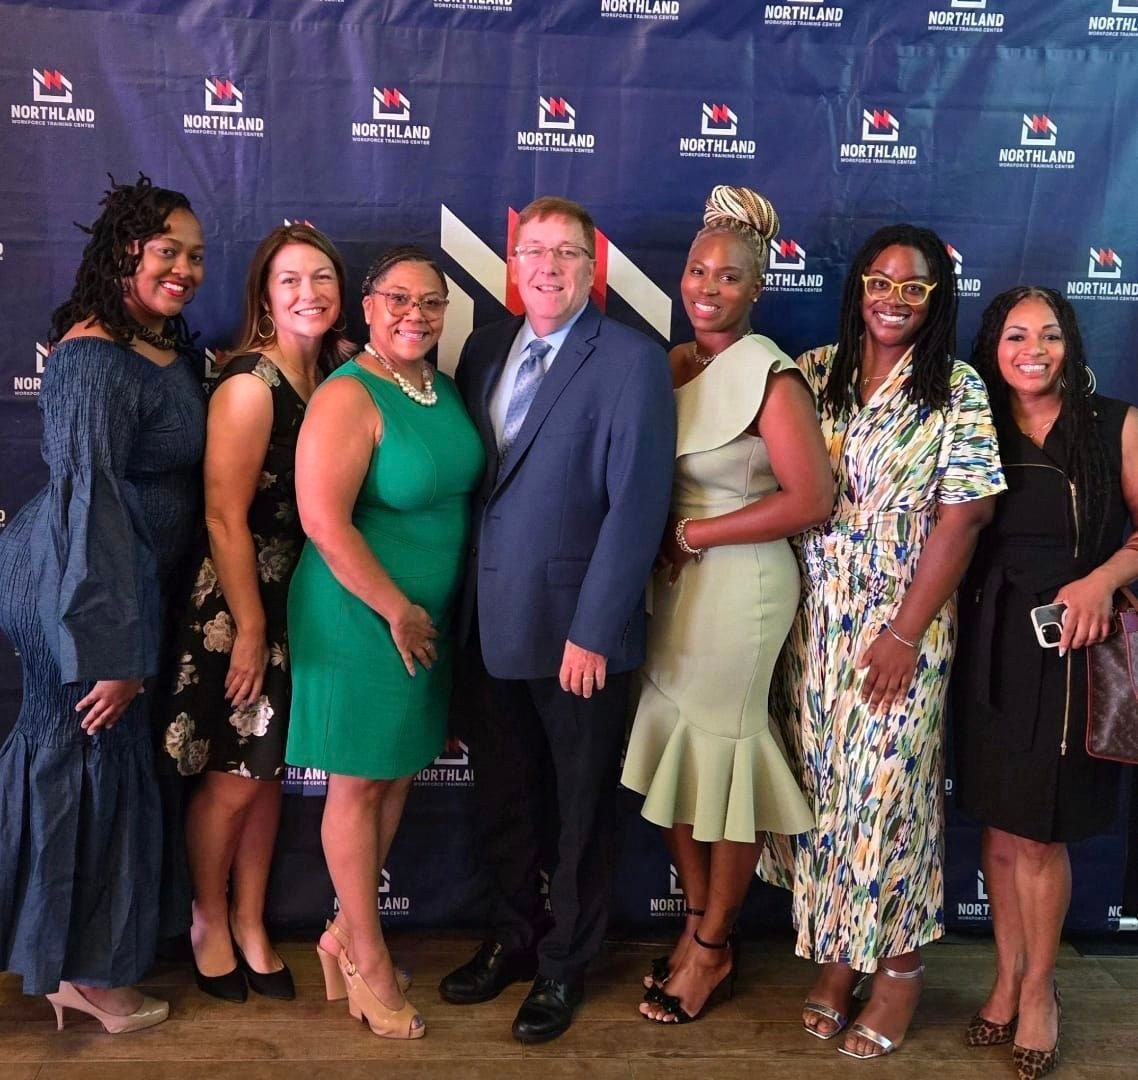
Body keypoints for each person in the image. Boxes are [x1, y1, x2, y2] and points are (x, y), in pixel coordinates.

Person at [758, 224, 1006, 1058]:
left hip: (905, 619)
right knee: (825, 794)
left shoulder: (956, 386)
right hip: (812, 618)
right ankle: (836, 955)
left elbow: (965, 514)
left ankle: (897, 969)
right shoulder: (817, 373)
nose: (894, 298)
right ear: (859, 284)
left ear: (937, 299)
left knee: (888, 796)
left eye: (915, 287)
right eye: (882, 280)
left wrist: (905, 632)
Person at [439, 195, 676, 1043]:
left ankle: (564, 965)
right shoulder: (484, 348)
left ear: (592, 267)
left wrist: (596, 630)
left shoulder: (631, 361)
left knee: (579, 812)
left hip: (577, 634)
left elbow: (637, 507)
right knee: (504, 800)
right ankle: (511, 936)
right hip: (487, 624)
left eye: (566, 253)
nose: (547, 266)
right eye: (532, 250)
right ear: (513, 264)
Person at [620, 185, 832, 1024]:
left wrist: (698, 539)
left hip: (738, 585)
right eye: (699, 270)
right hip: (671, 587)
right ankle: (704, 929)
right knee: (678, 751)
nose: (709, 286)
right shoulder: (671, 364)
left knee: (728, 755)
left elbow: (811, 499)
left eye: (731, 276)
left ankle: (711, 946)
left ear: (757, 287)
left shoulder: (770, 374)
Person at [0, 175, 206, 1031]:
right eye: (167, 251)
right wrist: (109, 651)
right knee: (78, 753)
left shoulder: (159, 345)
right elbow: (90, 506)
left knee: (98, 758)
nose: (185, 269)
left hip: (116, 586)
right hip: (81, 590)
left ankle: (74, 956)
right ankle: (72, 971)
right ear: (124, 251)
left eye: (196, 255)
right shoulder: (90, 358)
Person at [285, 246, 483, 1039]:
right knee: (358, 786)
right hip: (361, 615)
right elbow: (324, 524)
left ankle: (342, 931)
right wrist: (396, 609)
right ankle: (365, 956)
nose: (415, 314)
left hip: (422, 619)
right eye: (397, 299)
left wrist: (420, 611)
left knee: (397, 777)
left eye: (431, 302)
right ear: (366, 306)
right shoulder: (347, 395)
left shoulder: (438, 387)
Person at [158, 224, 348, 1003]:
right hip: (241, 608)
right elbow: (223, 516)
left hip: (303, 604)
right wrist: (252, 629)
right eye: (291, 280)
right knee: (232, 782)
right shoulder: (250, 385)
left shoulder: (334, 375)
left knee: (267, 778)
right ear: (266, 297)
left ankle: (252, 920)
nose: (310, 293)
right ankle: (208, 919)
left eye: (324, 278)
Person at [953, 287, 1138, 1080]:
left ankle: (1039, 990)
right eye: (1017, 335)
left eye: (1051, 335)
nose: (1035, 349)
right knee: (998, 827)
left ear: (1072, 345)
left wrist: (1104, 580)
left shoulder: (1114, 423)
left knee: (1039, 832)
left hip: (1071, 643)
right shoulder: (974, 425)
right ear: (993, 345)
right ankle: (1003, 975)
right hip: (990, 643)